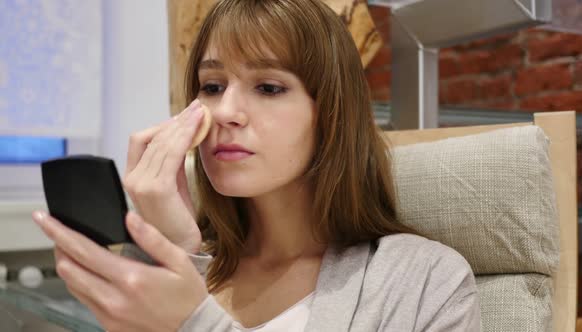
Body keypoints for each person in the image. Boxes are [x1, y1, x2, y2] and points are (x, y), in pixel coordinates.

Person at [32, 0, 481, 331]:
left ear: (331, 113)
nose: (225, 111)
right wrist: (175, 248)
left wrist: (194, 323)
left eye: (267, 87)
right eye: (211, 85)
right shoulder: (183, 267)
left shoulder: (424, 281)